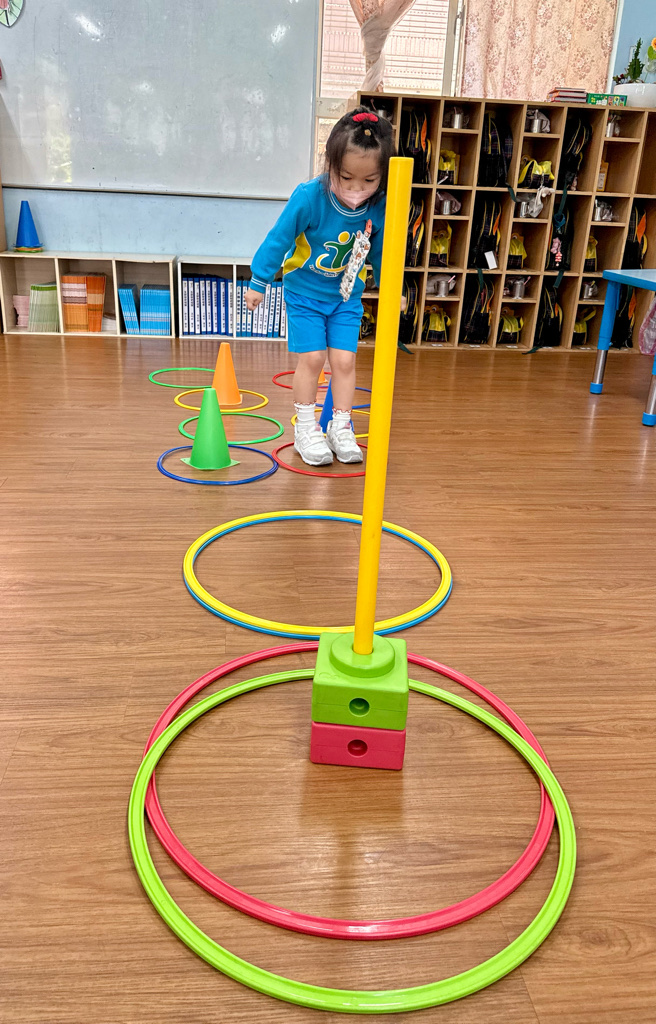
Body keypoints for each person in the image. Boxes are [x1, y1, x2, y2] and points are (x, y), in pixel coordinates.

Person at [245, 107, 394, 466]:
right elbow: (279, 238)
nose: (356, 189)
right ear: (331, 166)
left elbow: (383, 252)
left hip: (346, 297)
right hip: (305, 294)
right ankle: (306, 428)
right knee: (312, 359)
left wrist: (393, 289)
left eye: (369, 180)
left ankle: (340, 427)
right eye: (346, 177)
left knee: (344, 360)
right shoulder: (310, 196)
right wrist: (259, 280)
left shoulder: (379, 205)